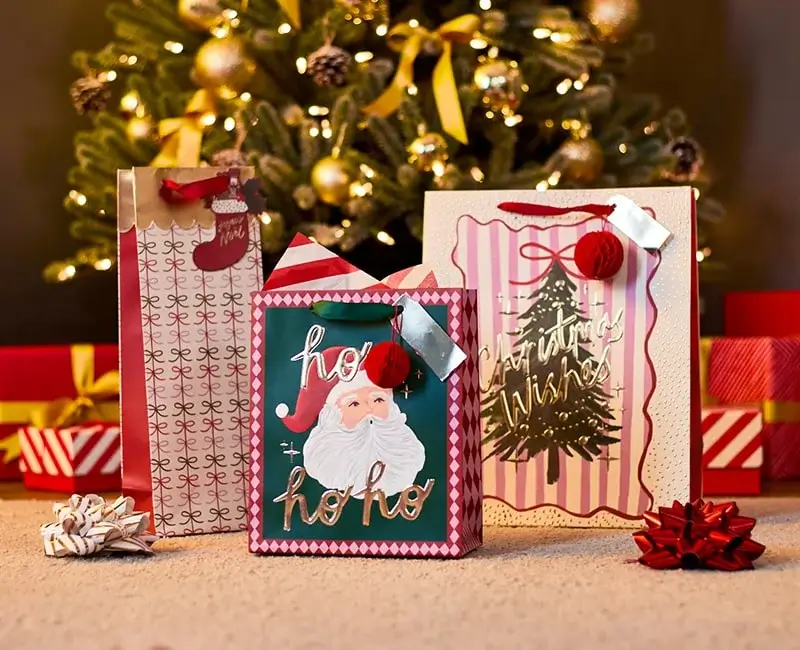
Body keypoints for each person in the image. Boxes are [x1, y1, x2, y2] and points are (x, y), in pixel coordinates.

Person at [275, 345, 425, 498]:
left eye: (378, 399)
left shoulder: (402, 449)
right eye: (354, 404)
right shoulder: (330, 454)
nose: (369, 410)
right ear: (332, 417)